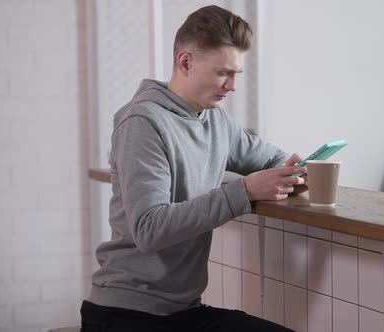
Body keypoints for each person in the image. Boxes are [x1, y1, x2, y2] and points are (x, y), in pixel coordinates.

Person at [80, 5, 307, 332]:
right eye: (222, 73)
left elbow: (270, 158)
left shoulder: (215, 120)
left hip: (182, 311)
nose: (231, 86)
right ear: (185, 62)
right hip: (126, 315)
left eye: (236, 75)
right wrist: (243, 192)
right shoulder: (142, 123)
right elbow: (150, 228)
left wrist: (295, 173)